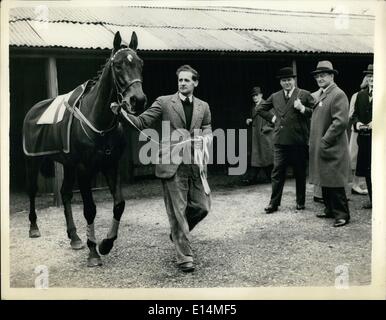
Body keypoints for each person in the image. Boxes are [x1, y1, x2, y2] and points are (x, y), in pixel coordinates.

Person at [120, 65, 212, 272]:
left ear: (195, 83)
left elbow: (207, 127)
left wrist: (205, 138)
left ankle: (178, 232)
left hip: (195, 163)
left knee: (202, 206)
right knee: (177, 212)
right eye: (180, 80)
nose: (182, 83)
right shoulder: (164, 102)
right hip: (172, 164)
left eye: (187, 80)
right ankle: (184, 256)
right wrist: (123, 113)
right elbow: (142, 122)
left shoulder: (203, 106)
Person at [257, 67, 314, 213]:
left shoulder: (304, 94)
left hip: (298, 141)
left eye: (289, 80)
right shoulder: (275, 96)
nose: (287, 83)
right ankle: (273, 203)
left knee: (300, 173)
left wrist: (302, 108)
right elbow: (260, 109)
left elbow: (315, 112)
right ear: (280, 82)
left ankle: (300, 202)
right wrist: (273, 118)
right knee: (277, 173)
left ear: (293, 80)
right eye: (284, 80)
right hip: (280, 141)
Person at [309, 61, 350, 227]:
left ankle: (342, 215)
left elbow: (340, 122)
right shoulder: (321, 94)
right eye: (317, 76)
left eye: (323, 75)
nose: (319, 78)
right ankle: (329, 210)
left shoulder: (338, 94)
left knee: (334, 180)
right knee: (324, 178)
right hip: (322, 144)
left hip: (332, 145)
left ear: (332, 76)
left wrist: (325, 140)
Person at [351, 64, 373, 209]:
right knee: (367, 170)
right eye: (370, 76)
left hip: (379, 140)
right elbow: (354, 115)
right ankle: (373, 200)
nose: (372, 79)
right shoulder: (360, 95)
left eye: (375, 76)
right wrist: (357, 123)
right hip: (364, 139)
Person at [242, 86, 274, 185]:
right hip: (256, 136)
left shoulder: (266, 105)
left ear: (261, 95)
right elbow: (256, 119)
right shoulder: (254, 107)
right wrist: (250, 121)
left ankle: (256, 178)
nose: (255, 97)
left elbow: (274, 120)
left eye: (256, 95)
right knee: (258, 157)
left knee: (265, 157)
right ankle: (256, 178)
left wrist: (265, 129)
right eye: (253, 96)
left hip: (265, 136)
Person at [349, 75, 370, 196]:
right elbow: (351, 114)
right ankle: (355, 185)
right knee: (356, 158)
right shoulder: (357, 95)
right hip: (359, 131)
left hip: (372, 133)